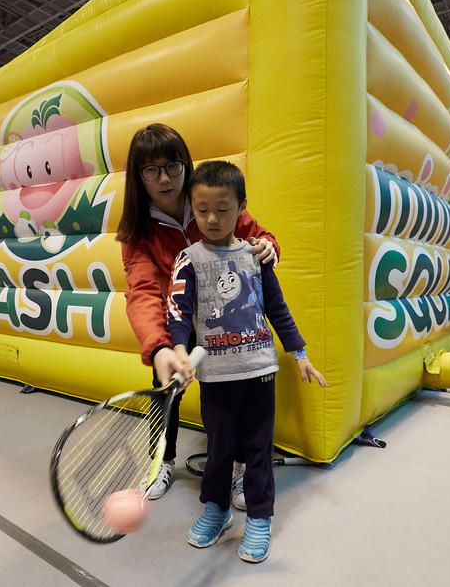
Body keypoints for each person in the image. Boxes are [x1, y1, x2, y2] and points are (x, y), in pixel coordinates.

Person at [166, 160, 326, 563]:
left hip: (259, 374)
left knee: (258, 450)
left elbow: (277, 307)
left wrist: (300, 353)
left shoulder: (257, 255)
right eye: (202, 210)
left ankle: (259, 517)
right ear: (192, 207)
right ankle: (217, 510)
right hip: (216, 378)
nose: (212, 218)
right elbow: (179, 313)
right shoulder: (188, 259)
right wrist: (179, 350)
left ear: (242, 207)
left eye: (223, 209)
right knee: (219, 450)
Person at [116, 123, 279, 504]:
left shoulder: (212, 200)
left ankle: (240, 472)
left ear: (185, 165)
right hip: (179, 325)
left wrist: (269, 246)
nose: (165, 178)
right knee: (165, 393)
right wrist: (160, 348)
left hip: (230, 322)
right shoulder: (138, 232)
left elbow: (259, 235)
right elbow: (141, 291)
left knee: (236, 396)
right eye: (151, 170)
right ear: (138, 178)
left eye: (172, 166)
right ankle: (161, 461)